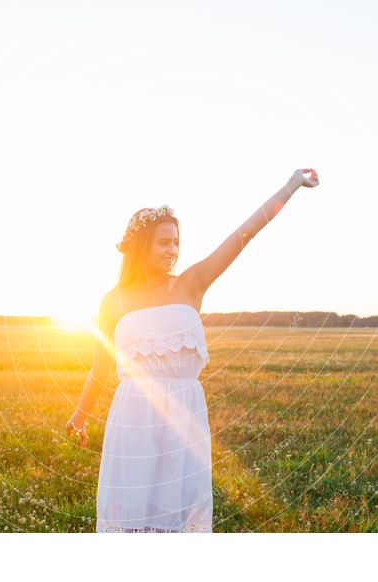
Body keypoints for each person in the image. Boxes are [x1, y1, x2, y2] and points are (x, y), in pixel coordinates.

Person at [65, 168, 320, 532]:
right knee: (133, 511)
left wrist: (290, 186)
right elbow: (99, 368)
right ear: (141, 247)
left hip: (185, 416)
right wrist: (79, 416)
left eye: (175, 242)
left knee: (180, 512)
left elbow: (243, 235)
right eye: (163, 243)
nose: (172, 251)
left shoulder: (191, 284)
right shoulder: (113, 301)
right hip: (134, 418)